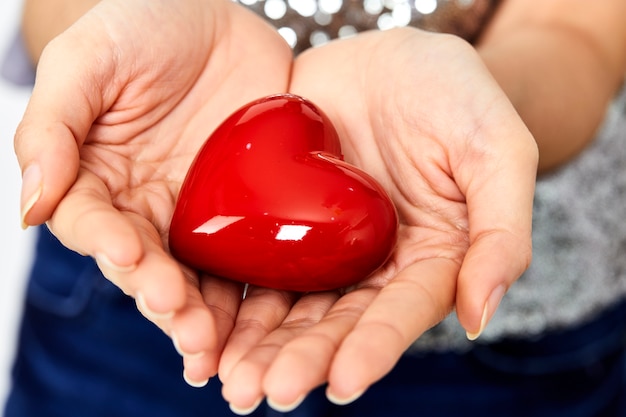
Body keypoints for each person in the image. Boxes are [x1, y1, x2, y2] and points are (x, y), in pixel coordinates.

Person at [3, 0, 625, 416]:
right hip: (129, 275)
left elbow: (573, 31)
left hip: (514, 347)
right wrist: (101, 35)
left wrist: (486, 113)